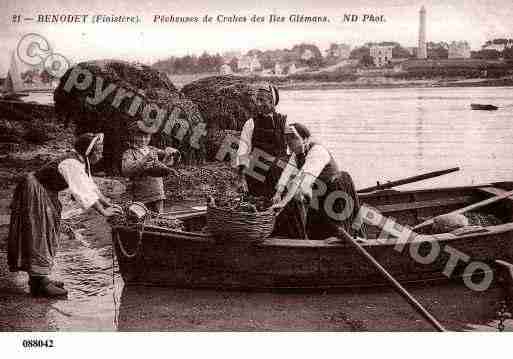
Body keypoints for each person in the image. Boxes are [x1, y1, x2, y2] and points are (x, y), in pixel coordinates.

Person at [7, 133, 123, 298]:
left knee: (47, 231)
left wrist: (108, 204)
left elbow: (91, 187)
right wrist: (104, 212)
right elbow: (82, 192)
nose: (101, 154)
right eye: (99, 151)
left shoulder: (81, 161)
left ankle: (39, 278)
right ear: (89, 152)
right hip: (36, 191)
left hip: (45, 192)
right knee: (39, 232)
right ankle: (38, 282)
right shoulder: (72, 163)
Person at [272, 123, 367, 241]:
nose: (290, 143)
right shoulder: (296, 154)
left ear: (305, 139)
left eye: (293, 138)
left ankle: (344, 237)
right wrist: (278, 193)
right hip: (320, 192)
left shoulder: (317, 151)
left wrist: (284, 202)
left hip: (336, 189)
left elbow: (302, 179)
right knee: (314, 231)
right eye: (287, 140)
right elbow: (287, 174)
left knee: (338, 230)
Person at [235, 85, 307, 238]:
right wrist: (241, 177)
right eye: (257, 100)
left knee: (289, 194)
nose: (259, 104)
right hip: (258, 170)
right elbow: (243, 150)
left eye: (263, 100)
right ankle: (264, 232)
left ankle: (288, 233)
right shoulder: (251, 123)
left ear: (273, 102)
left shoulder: (284, 123)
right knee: (263, 203)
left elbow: (297, 146)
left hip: (279, 170)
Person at [122, 122, 180, 213]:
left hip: (157, 193)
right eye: (140, 136)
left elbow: (166, 160)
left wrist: (172, 153)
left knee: (159, 219)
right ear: (133, 136)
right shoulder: (129, 153)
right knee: (142, 220)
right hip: (141, 196)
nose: (143, 139)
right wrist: (145, 159)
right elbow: (126, 170)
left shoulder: (152, 149)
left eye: (146, 137)